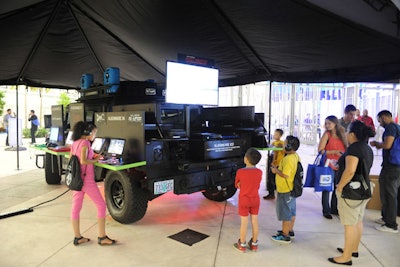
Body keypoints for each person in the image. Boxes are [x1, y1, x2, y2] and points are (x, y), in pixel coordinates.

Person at [328, 120, 374, 265]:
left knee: (349, 224)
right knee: (357, 221)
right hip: (364, 189)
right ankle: (353, 249)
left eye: (348, 132)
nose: (346, 134)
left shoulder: (353, 149)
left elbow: (350, 171)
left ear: (353, 134)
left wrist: (340, 186)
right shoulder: (366, 148)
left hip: (351, 193)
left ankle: (346, 257)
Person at [70, 121, 117, 246]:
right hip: (87, 181)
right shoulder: (85, 142)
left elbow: (73, 158)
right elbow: (84, 161)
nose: (95, 135)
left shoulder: (75, 143)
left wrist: (92, 154)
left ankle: (77, 237)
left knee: (75, 209)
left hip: (77, 181)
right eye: (94, 132)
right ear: (87, 132)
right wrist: (95, 160)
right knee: (101, 205)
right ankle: (102, 237)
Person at [370, 110, 400, 233]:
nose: (380, 123)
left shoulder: (391, 127)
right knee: (386, 191)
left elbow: (387, 145)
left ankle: (391, 224)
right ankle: (386, 218)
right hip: (392, 165)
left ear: (384, 117)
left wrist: (377, 144)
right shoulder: (396, 127)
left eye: (379, 120)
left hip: (392, 166)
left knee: (390, 194)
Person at [270, 135, 300, 244]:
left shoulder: (288, 160)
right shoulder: (295, 156)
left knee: (285, 213)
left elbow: (286, 175)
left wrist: (275, 171)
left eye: (285, 144)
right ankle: (289, 230)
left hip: (285, 189)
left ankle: (285, 235)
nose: (283, 145)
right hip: (291, 189)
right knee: (291, 211)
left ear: (288, 146)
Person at [318, 116, 347, 219]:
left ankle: (334, 208)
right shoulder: (327, 135)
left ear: (335, 123)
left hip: (341, 164)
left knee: (337, 186)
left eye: (329, 123)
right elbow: (320, 150)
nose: (327, 125)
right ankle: (326, 210)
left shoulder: (342, 134)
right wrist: (334, 152)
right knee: (327, 187)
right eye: (326, 123)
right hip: (328, 164)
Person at [233, 148, 262, 252]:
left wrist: (241, 184)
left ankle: (242, 243)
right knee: (255, 221)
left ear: (245, 159)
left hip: (244, 199)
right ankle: (254, 244)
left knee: (244, 223)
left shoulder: (240, 172)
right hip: (255, 199)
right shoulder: (259, 172)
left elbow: (237, 184)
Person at [264, 129, 285, 200]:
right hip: (274, 163)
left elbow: (278, 149)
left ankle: (274, 193)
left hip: (278, 164)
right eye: (274, 134)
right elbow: (269, 147)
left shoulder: (281, 143)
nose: (275, 135)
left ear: (280, 135)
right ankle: (271, 193)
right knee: (271, 179)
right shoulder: (274, 142)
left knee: (273, 179)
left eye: (276, 134)